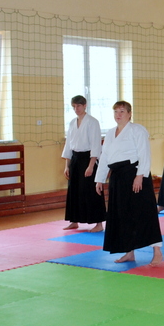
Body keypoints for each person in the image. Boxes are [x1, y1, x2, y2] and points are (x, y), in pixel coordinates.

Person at [95, 101, 163, 266]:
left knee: (145, 212)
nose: (118, 115)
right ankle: (129, 252)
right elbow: (105, 157)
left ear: (129, 114)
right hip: (117, 177)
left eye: (122, 111)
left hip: (135, 175)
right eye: (116, 112)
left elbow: (144, 153)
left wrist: (140, 175)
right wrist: (99, 179)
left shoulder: (137, 130)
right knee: (122, 215)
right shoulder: (110, 133)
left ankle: (157, 251)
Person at [61, 95, 105, 232]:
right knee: (74, 190)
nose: (76, 109)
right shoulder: (72, 123)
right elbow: (68, 145)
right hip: (75, 159)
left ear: (85, 105)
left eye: (79, 106)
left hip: (88, 158)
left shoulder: (92, 122)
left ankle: (99, 223)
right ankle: (74, 220)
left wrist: (91, 165)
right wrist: (67, 165)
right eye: (74, 106)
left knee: (92, 190)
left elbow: (96, 145)